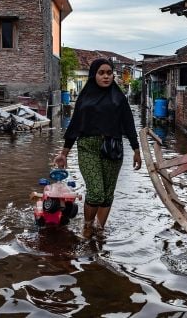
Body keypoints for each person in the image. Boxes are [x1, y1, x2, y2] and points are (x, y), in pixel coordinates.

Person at [53, 58, 142, 239]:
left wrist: (136, 149)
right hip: (88, 147)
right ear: (94, 75)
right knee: (96, 191)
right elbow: (75, 125)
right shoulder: (85, 98)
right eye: (101, 73)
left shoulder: (119, 97)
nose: (106, 76)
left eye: (109, 73)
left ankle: (100, 230)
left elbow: (129, 123)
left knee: (107, 194)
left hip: (113, 148)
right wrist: (64, 153)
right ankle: (87, 227)